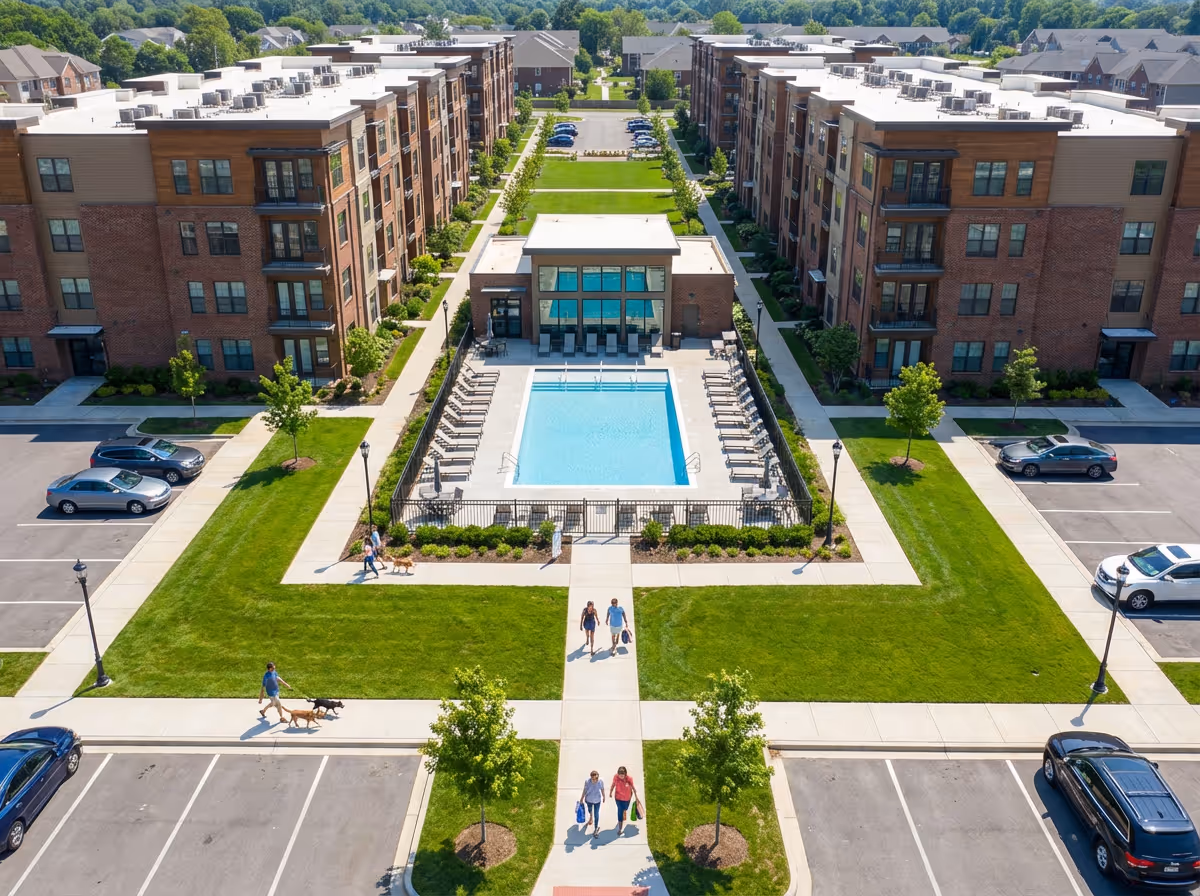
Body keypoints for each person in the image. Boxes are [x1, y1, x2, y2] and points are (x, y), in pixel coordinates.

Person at [609, 766, 640, 836]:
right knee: (620, 811)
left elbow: (633, 788)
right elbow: (613, 784)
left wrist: (636, 797)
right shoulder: (616, 777)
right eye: (620, 774)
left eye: (622, 775)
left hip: (627, 798)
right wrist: (610, 792)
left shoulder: (629, 779)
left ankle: (624, 812)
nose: (621, 776)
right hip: (618, 798)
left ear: (625, 774)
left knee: (625, 808)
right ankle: (620, 829)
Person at [580, 770, 605, 838]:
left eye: (596, 778)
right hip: (589, 800)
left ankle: (596, 828)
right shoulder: (587, 782)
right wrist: (582, 798)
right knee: (590, 810)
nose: (595, 780)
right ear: (591, 777)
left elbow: (602, 789)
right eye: (593, 779)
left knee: (596, 814)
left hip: (597, 800)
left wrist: (604, 796)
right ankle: (591, 817)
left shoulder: (600, 782)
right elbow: (584, 790)